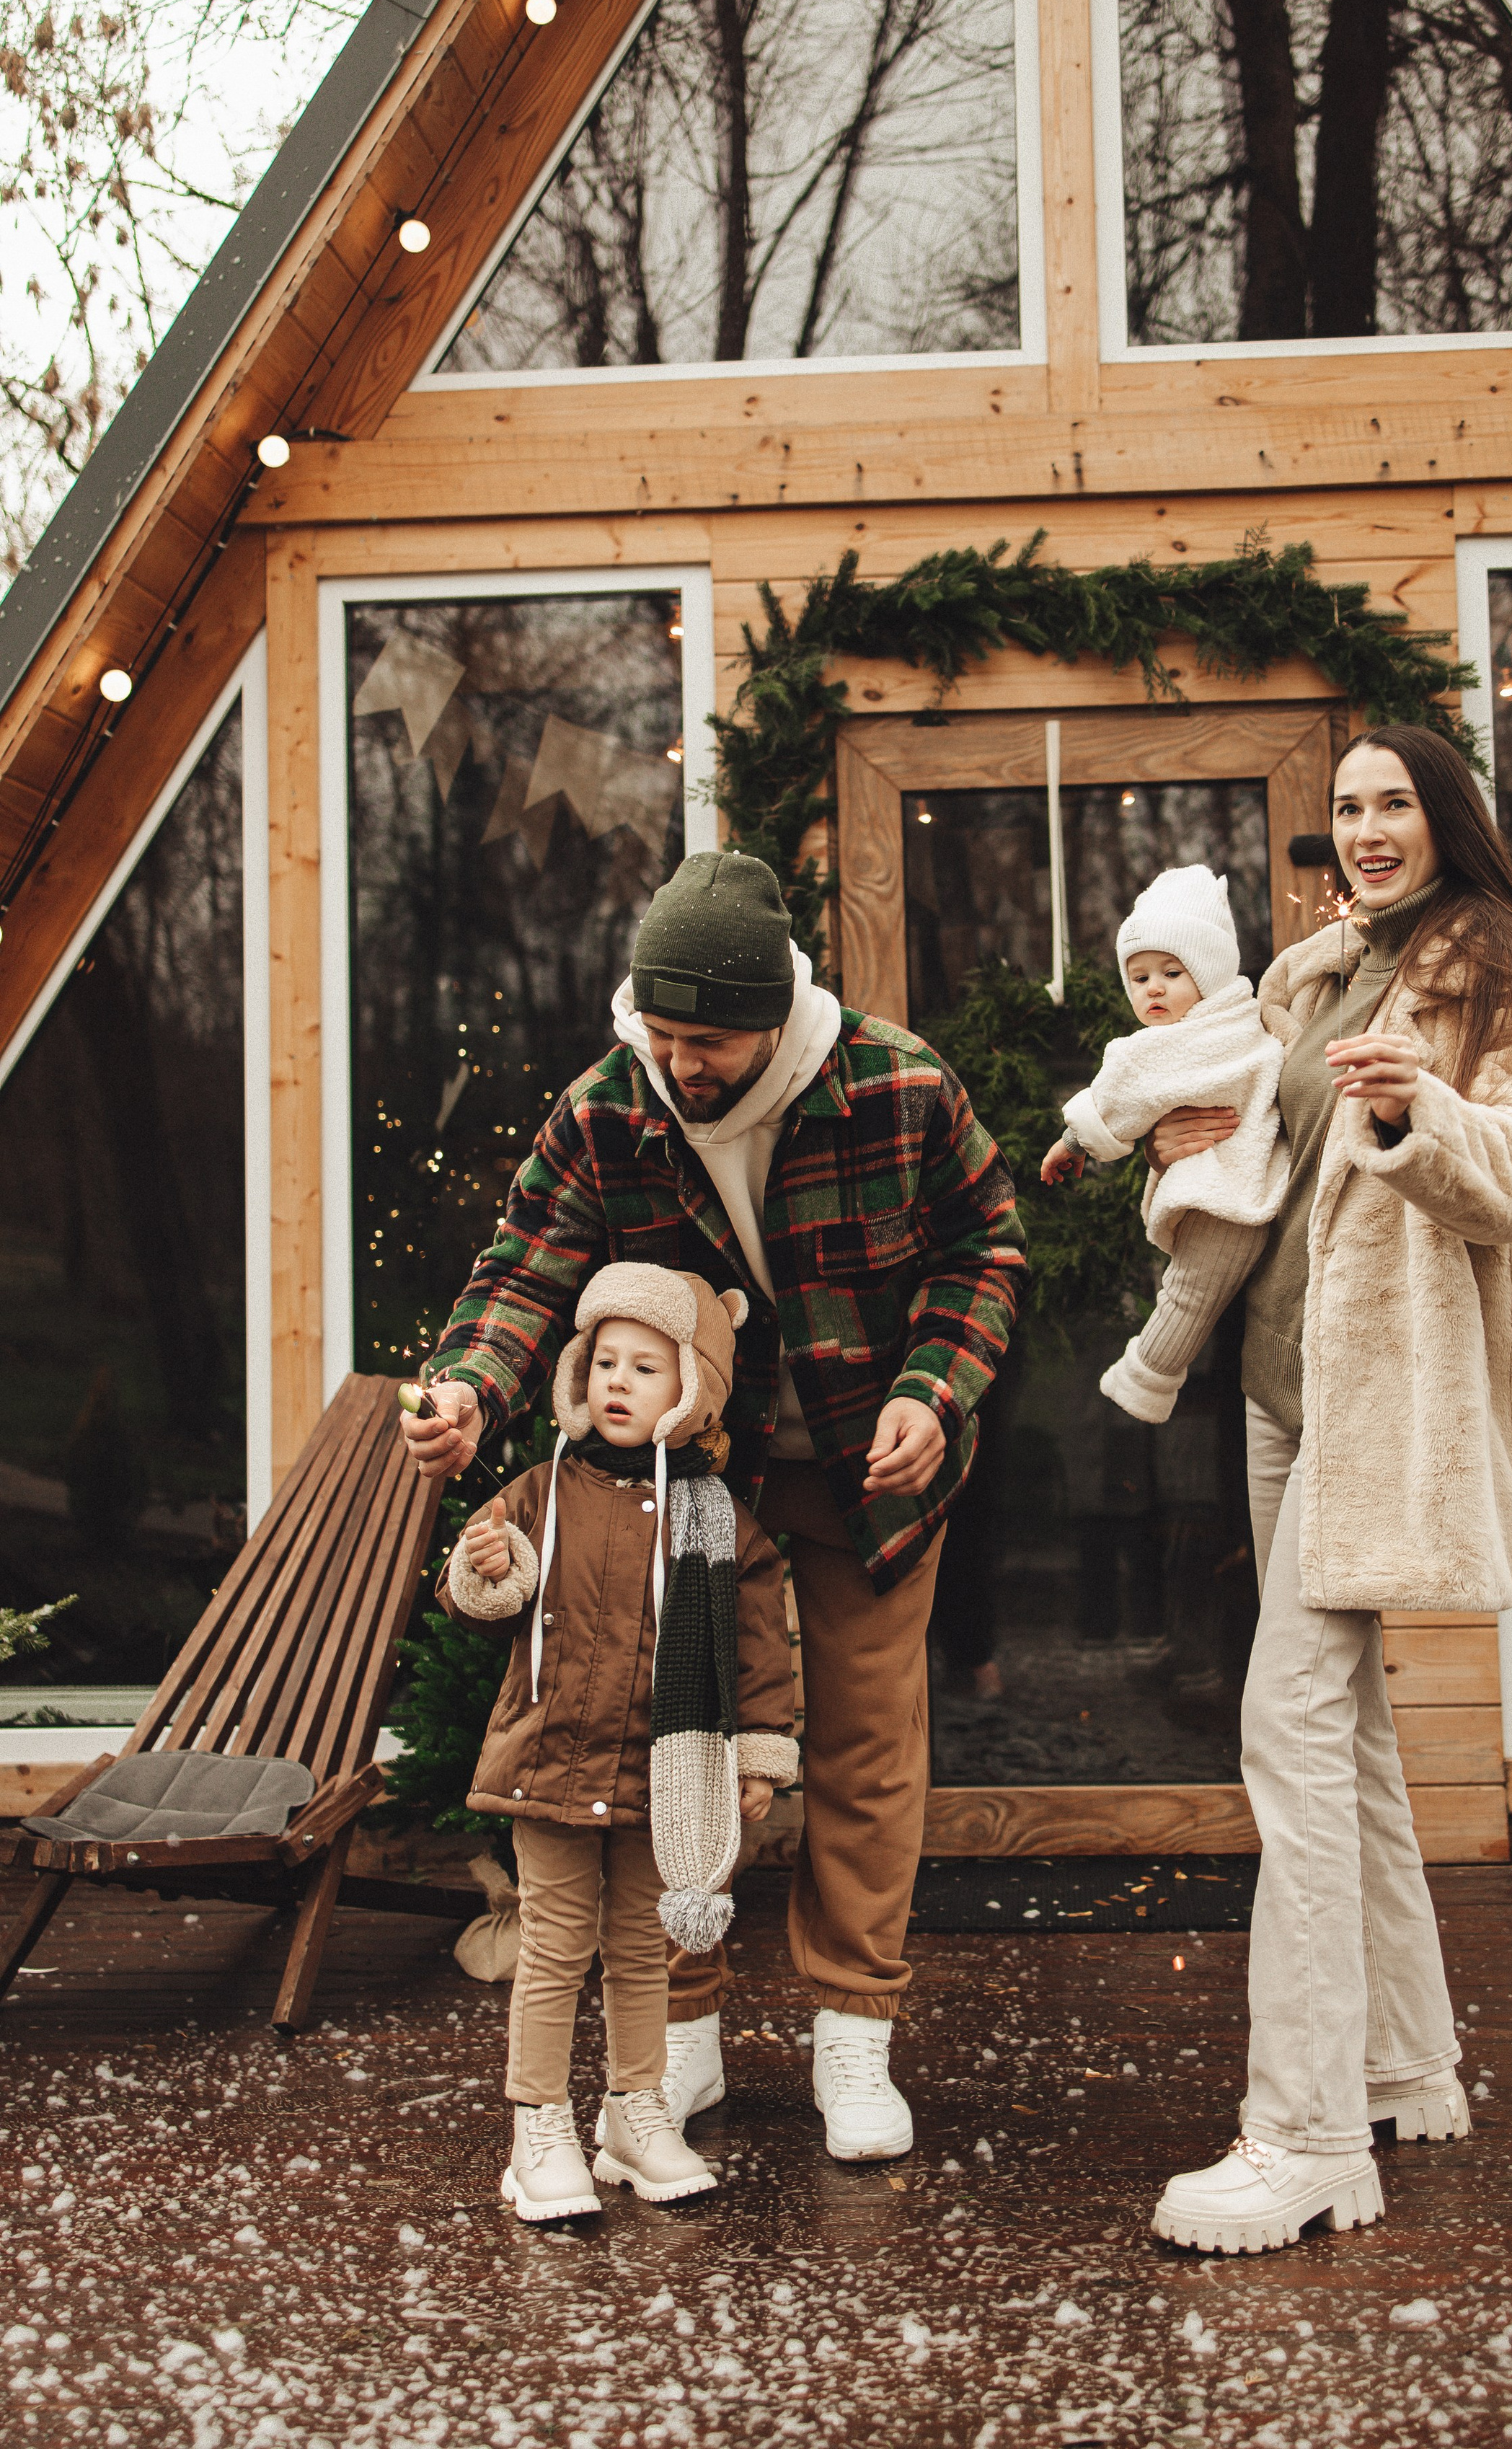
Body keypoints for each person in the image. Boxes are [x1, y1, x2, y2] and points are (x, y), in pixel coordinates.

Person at [403, 850, 1025, 2163]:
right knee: (665, 1742)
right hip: (690, 1482)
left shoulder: (899, 1085)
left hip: (874, 1462)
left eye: (711, 1039)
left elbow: (986, 1250)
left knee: (861, 1745)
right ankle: (667, 2044)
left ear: (778, 1012)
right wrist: (468, 1387)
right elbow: (525, 1271)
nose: (683, 1063)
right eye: (665, 1034)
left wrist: (936, 1389)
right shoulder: (607, 1107)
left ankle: (854, 2041)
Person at [1149, 725, 1512, 2256]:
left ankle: (1303, 2137)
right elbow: (1266, 1156)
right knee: (1340, 1741)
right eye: (1344, 806)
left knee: (1283, 1729)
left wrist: (1420, 1112)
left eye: (1391, 803)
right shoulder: (1311, 971)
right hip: (1281, 1395)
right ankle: (1407, 2066)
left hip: (1373, 1405)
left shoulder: (1492, 971)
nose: (1363, 827)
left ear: (1441, 819)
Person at [437, 1262, 797, 2223]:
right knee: (554, 1946)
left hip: (662, 1773)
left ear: (693, 1390)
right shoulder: (539, 1491)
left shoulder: (718, 1517)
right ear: (577, 1375)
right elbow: (486, 1595)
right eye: (605, 1361)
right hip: (549, 1760)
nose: (619, 1382)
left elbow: (759, 1643)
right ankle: (538, 2125)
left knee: (643, 1950)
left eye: (647, 1365)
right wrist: (487, 1571)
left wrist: (758, 1751)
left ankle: (635, 2113)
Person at [1040, 863, 1287, 1422]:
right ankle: (1151, 1379)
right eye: (1140, 977)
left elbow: (1120, 1092)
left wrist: (1073, 1140)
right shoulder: (1233, 1025)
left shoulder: (1177, 1043)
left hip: (1223, 1189)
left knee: (1190, 1296)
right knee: (1189, 1292)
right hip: (1232, 1187)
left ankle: (1148, 1378)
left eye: (1172, 973)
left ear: (1211, 973)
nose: (1153, 988)